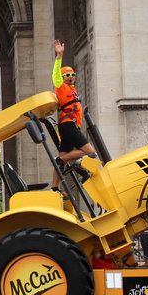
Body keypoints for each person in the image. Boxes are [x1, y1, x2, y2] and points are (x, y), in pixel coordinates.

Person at [50, 40, 98, 191]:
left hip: (69, 127)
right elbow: (55, 75)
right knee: (89, 151)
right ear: (62, 77)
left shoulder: (72, 89)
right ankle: (63, 160)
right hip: (68, 125)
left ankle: (54, 188)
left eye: (72, 74)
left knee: (63, 161)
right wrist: (59, 56)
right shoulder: (61, 87)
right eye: (67, 75)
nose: (71, 77)